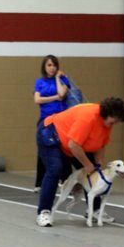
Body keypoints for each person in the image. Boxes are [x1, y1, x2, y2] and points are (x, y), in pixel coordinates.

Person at [36, 97, 124, 227]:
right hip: (51, 133)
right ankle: (44, 211)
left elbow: (101, 145)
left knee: (94, 173)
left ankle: (94, 210)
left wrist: (98, 163)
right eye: (115, 120)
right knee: (55, 168)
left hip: (72, 144)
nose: (116, 124)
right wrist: (87, 164)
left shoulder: (107, 124)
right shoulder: (88, 117)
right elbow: (73, 145)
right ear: (108, 113)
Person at [33, 55, 71, 191]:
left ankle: (65, 181)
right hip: (46, 119)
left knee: (64, 148)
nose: (52, 68)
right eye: (49, 65)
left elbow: (62, 93)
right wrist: (55, 98)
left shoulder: (62, 80)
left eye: (54, 65)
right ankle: (39, 183)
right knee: (43, 149)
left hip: (61, 119)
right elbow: (37, 100)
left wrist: (57, 79)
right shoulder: (39, 82)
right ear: (44, 67)